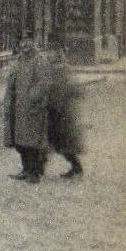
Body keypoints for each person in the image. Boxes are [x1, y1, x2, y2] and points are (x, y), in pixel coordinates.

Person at [3, 32, 51, 182]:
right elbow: (12, 82)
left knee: (32, 142)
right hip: (18, 107)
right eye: (23, 41)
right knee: (20, 141)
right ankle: (25, 169)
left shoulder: (40, 61)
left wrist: (32, 98)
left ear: (34, 42)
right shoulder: (18, 61)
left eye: (28, 41)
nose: (25, 44)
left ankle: (34, 172)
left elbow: (43, 83)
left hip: (33, 108)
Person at [45, 47, 85, 178]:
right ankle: (39, 166)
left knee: (61, 142)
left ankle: (76, 167)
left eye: (51, 53)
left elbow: (70, 90)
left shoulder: (62, 70)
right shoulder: (52, 70)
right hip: (55, 111)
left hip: (62, 113)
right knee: (53, 141)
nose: (49, 56)